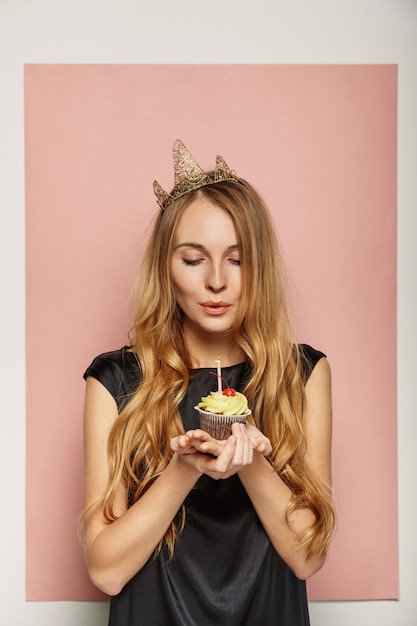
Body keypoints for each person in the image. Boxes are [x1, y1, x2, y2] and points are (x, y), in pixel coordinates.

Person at [81, 139, 336, 625]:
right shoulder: (114, 381)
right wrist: (184, 469)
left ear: (259, 265)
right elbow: (106, 571)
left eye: (236, 260)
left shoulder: (302, 376)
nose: (216, 281)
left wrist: (253, 464)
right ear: (166, 267)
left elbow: (308, 556)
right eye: (194, 260)